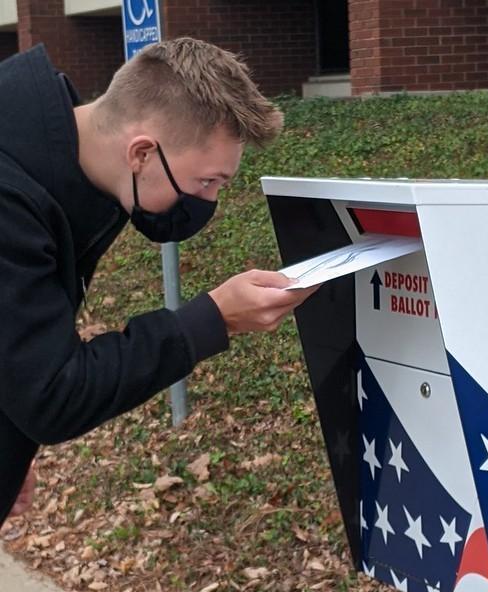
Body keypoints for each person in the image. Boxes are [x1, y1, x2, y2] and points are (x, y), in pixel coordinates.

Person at [0, 38, 316, 526]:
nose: (207, 200)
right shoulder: (11, 204)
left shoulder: (53, 169)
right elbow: (53, 393)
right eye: (206, 182)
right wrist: (211, 320)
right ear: (142, 153)